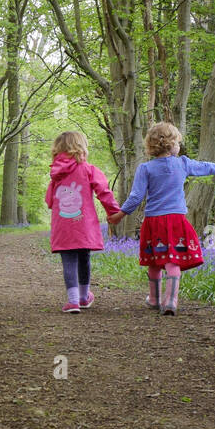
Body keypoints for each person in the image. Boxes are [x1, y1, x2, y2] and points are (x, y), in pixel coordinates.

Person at [118, 122, 215, 315]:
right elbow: (203, 167)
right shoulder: (182, 163)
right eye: (177, 143)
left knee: (155, 261)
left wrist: (121, 213)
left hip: (154, 221)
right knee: (173, 261)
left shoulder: (145, 169)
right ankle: (170, 301)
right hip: (176, 220)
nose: (179, 147)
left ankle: (154, 299)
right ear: (169, 145)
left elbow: (136, 197)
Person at [44, 130, 124, 313]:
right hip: (84, 225)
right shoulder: (89, 169)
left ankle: (72, 301)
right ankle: (83, 296)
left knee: (69, 261)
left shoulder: (56, 175)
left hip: (63, 226)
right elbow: (104, 191)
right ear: (81, 147)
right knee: (84, 258)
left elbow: (49, 201)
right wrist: (114, 212)